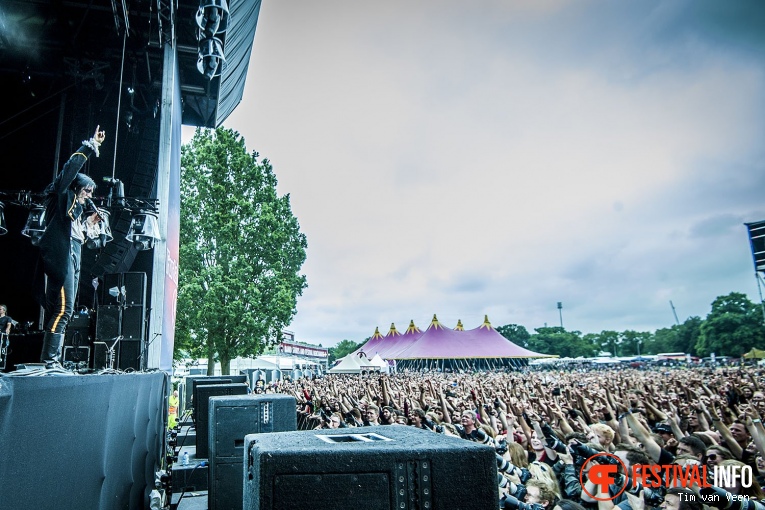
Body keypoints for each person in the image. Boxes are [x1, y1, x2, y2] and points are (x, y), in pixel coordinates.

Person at [38, 126, 105, 364]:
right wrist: (90, 146)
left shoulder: (77, 210)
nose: (89, 194)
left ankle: (53, 360)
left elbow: (81, 235)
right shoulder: (64, 194)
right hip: (62, 252)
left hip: (74, 252)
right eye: (87, 190)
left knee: (67, 309)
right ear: (77, 187)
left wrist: (90, 222)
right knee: (64, 309)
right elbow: (70, 169)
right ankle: (50, 360)